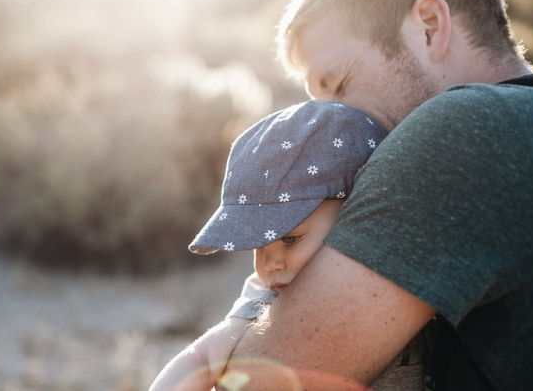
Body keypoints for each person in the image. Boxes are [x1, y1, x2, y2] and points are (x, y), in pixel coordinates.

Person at [220, 0, 533, 391]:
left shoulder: (460, 131)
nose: (328, 123)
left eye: (338, 83)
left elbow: (259, 385)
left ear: (429, 25)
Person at [149, 100, 428, 391]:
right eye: (258, 246)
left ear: (355, 213)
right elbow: (202, 356)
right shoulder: (268, 297)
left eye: (290, 239)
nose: (271, 263)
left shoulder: (403, 264)